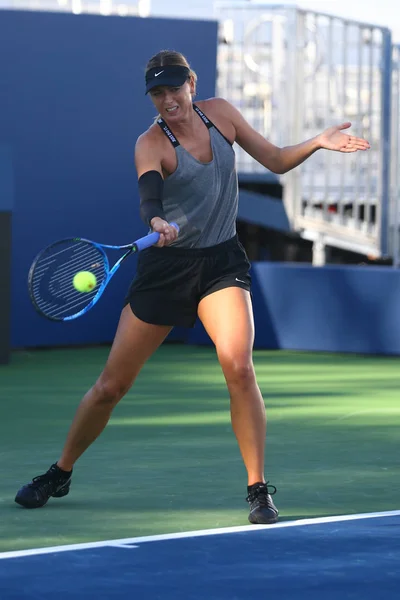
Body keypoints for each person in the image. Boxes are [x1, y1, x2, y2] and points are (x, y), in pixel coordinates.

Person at [15, 50, 370, 524]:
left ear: (191, 85)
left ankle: (258, 489)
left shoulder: (221, 114)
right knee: (111, 386)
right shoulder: (150, 144)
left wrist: (318, 142)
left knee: (239, 368)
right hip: (166, 272)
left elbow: (277, 161)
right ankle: (60, 471)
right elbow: (149, 197)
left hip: (221, 262)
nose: (167, 99)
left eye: (174, 89)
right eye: (158, 93)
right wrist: (157, 220)